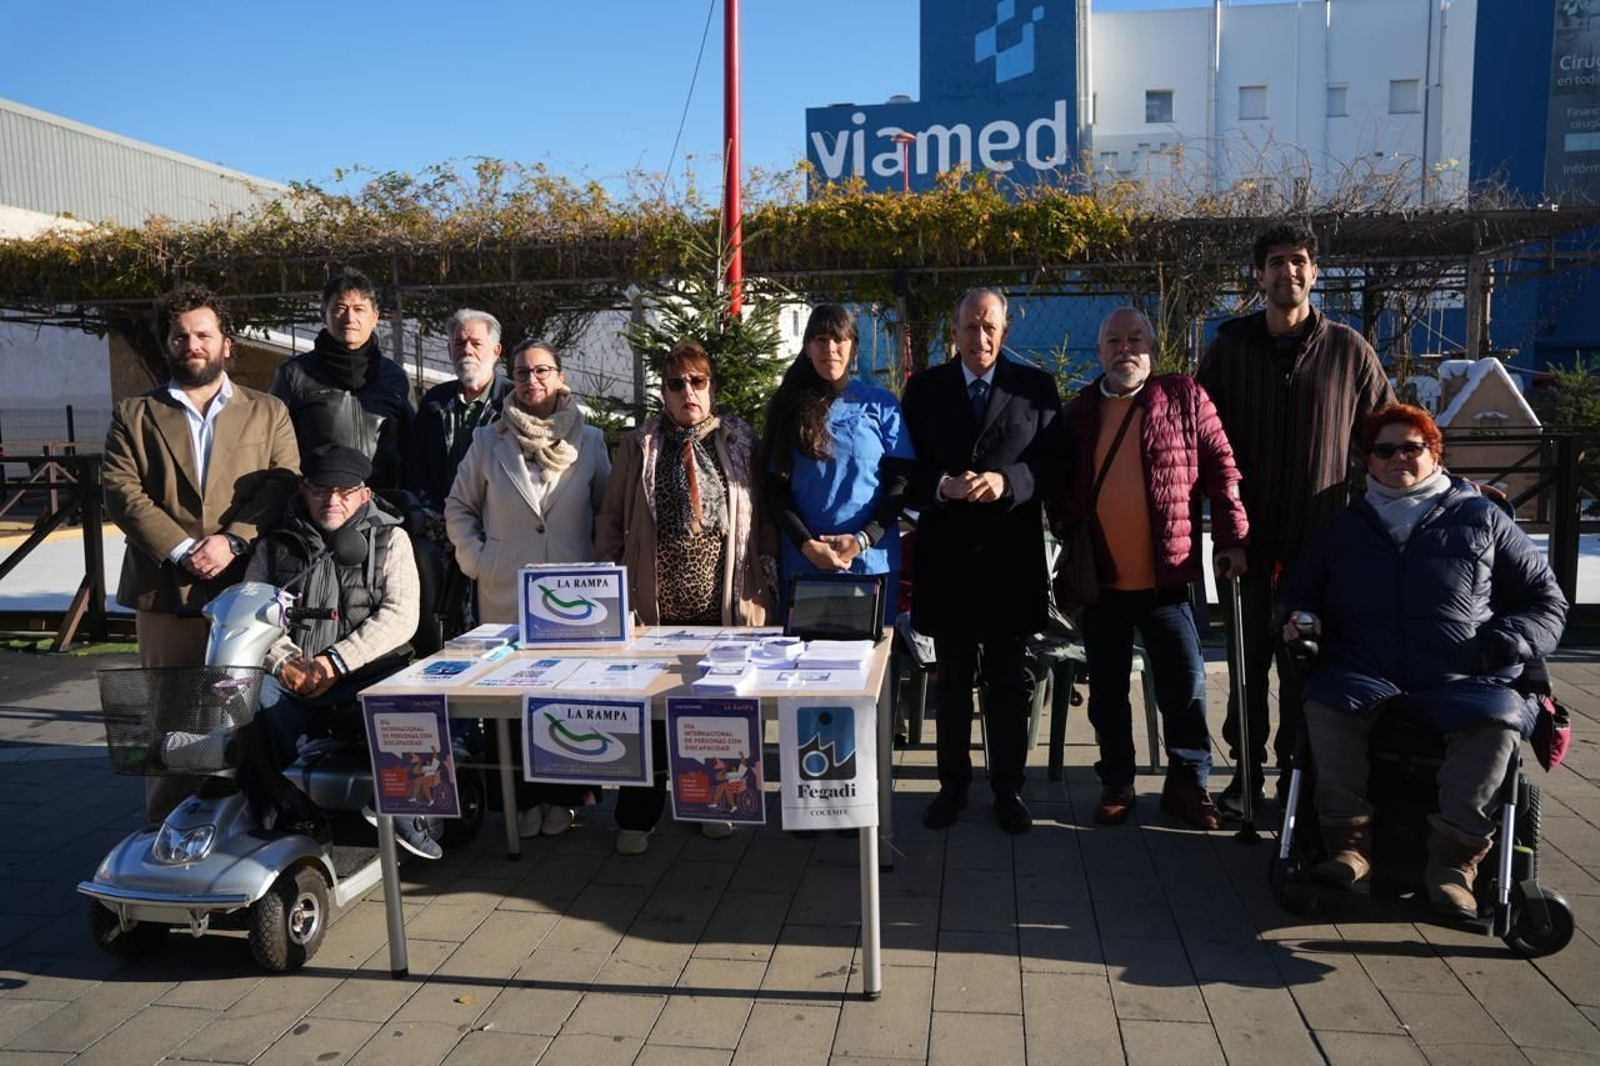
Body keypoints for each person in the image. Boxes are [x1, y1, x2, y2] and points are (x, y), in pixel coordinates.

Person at [1277, 404, 1566, 917]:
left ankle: (1454, 866)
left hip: (1463, 672)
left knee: (1498, 720)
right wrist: (1300, 618)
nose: (1398, 458)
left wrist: (1505, 642)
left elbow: (1546, 602)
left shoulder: (1482, 517)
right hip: (1365, 669)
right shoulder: (1345, 526)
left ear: (1435, 453)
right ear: (1369, 461)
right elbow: (1298, 591)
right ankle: (1349, 847)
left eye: (1412, 447)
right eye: (1384, 449)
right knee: (1323, 702)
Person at [1196, 222, 1395, 818]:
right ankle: (1245, 778)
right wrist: (1219, 528)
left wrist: (1439, 487)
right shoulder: (1230, 347)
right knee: (1247, 666)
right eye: (1277, 262)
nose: (1289, 271)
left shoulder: (1349, 350)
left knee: (1308, 670)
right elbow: (1202, 440)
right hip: (1246, 545)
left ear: (1314, 271)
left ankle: (1299, 779)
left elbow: (1386, 435)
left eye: (1300, 261)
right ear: (1259, 275)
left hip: (1321, 547)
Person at [102, 284, 301, 822]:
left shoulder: (269, 411)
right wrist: (184, 547)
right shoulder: (135, 413)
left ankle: (245, 826)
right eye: (180, 336)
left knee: (244, 711)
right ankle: (163, 834)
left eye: (203, 334)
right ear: (168, 344)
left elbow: (283, 484)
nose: (192, 343)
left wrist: (233, 538)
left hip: (246, 582)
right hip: (166, 588)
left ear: (226, 344)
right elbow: (121, 489)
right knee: (170, 723)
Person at [1059, 308, 1248, 830]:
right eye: (1113, 340)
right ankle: (1117, 782)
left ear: (1152, 348)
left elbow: (1222, 470)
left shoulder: (1185, 397)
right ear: (1098, 352)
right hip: (1102, 582)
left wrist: (1233, 539)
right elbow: (1059, 483)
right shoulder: (1078, 412)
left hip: (1169, 581)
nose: (1125, 349)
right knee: (1108, 694)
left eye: (1135, 339)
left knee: (1185, 687)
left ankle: (1187, 785)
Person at [595, 340, 774, 854]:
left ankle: (713, 803)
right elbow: (611, 518)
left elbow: (759, 514)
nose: (687, 392)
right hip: (654, 606)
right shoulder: (640, 445)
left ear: (711, 387)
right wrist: (611, 582)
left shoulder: (739, 440)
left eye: (697, 381)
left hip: (722, 603)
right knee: (648, 708)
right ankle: (639, 812)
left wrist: (767, 572)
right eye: (676, 384)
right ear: (663, 392)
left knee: (713, 707)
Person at [901, 288, 1063, 834]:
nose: (981, 337)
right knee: (951, 682)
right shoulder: (924, 390)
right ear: (956, 330)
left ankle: (1009, 788)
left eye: (990, 326)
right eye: (971, 327)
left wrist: (1007, 481)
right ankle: (952, 786)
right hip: (947, 563)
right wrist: (941, 485)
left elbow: (1054, 467)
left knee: (1006, 682)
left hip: (1008, 563)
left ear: (1005, 330)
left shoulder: (1034, 389)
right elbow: (903, 473)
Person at [445, 338, 611, 838]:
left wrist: (601, 572)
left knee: (564, 698)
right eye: (521, 373)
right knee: (511, 704)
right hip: (506, 591)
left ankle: (564, 795)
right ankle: (521, 798)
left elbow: (607, 513)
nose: (532, 381)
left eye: (542, 371)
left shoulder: (591, 440)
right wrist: (479, 561)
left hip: (573, 597)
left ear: (560, 377)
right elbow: (458, 507)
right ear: (511, 379)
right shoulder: (487, 440)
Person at [239, 444, 431, 857]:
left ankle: (404, 812)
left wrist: (335, 662)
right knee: (247, 704)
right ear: (303, 490)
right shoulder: (276, 541)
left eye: (345, 491)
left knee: (406, 704)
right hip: (293, 674)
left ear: (365, 493)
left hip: (367, 671)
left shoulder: (390, 538)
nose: (332, 501)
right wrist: (286, 662)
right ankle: (282, 811)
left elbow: (401, 616)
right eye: (321, 490)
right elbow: (252, 610)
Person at [761, 304, 913, 621]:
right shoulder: (788, 408)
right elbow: (776, 490)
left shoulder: (881, 405)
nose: (830, 348)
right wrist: (806, 545)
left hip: (870, 566)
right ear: (807, 347)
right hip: (806, 569)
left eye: (839, 339)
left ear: (854, 347)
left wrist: (862, 540)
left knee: (870, 667)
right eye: (820, 340)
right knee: (803, 667)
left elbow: (900, 484)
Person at [270, 269, 413, 490]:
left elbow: (413, 447)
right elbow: (274, 446)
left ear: (375, 317)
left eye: (359, 309)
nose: (349, 318)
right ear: (323, 315)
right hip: (322, 504)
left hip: (386, 505)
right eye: (340, 308)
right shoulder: (294, 374)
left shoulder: (395, 377)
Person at [406, 308, 513, 513]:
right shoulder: (435, 401)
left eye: (476, 343)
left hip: (499, 524)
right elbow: (415, 466)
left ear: (496, 351)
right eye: (459, 343)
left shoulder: (513, 401)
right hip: (439, 520)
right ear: (449, 351)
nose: (467, 350)